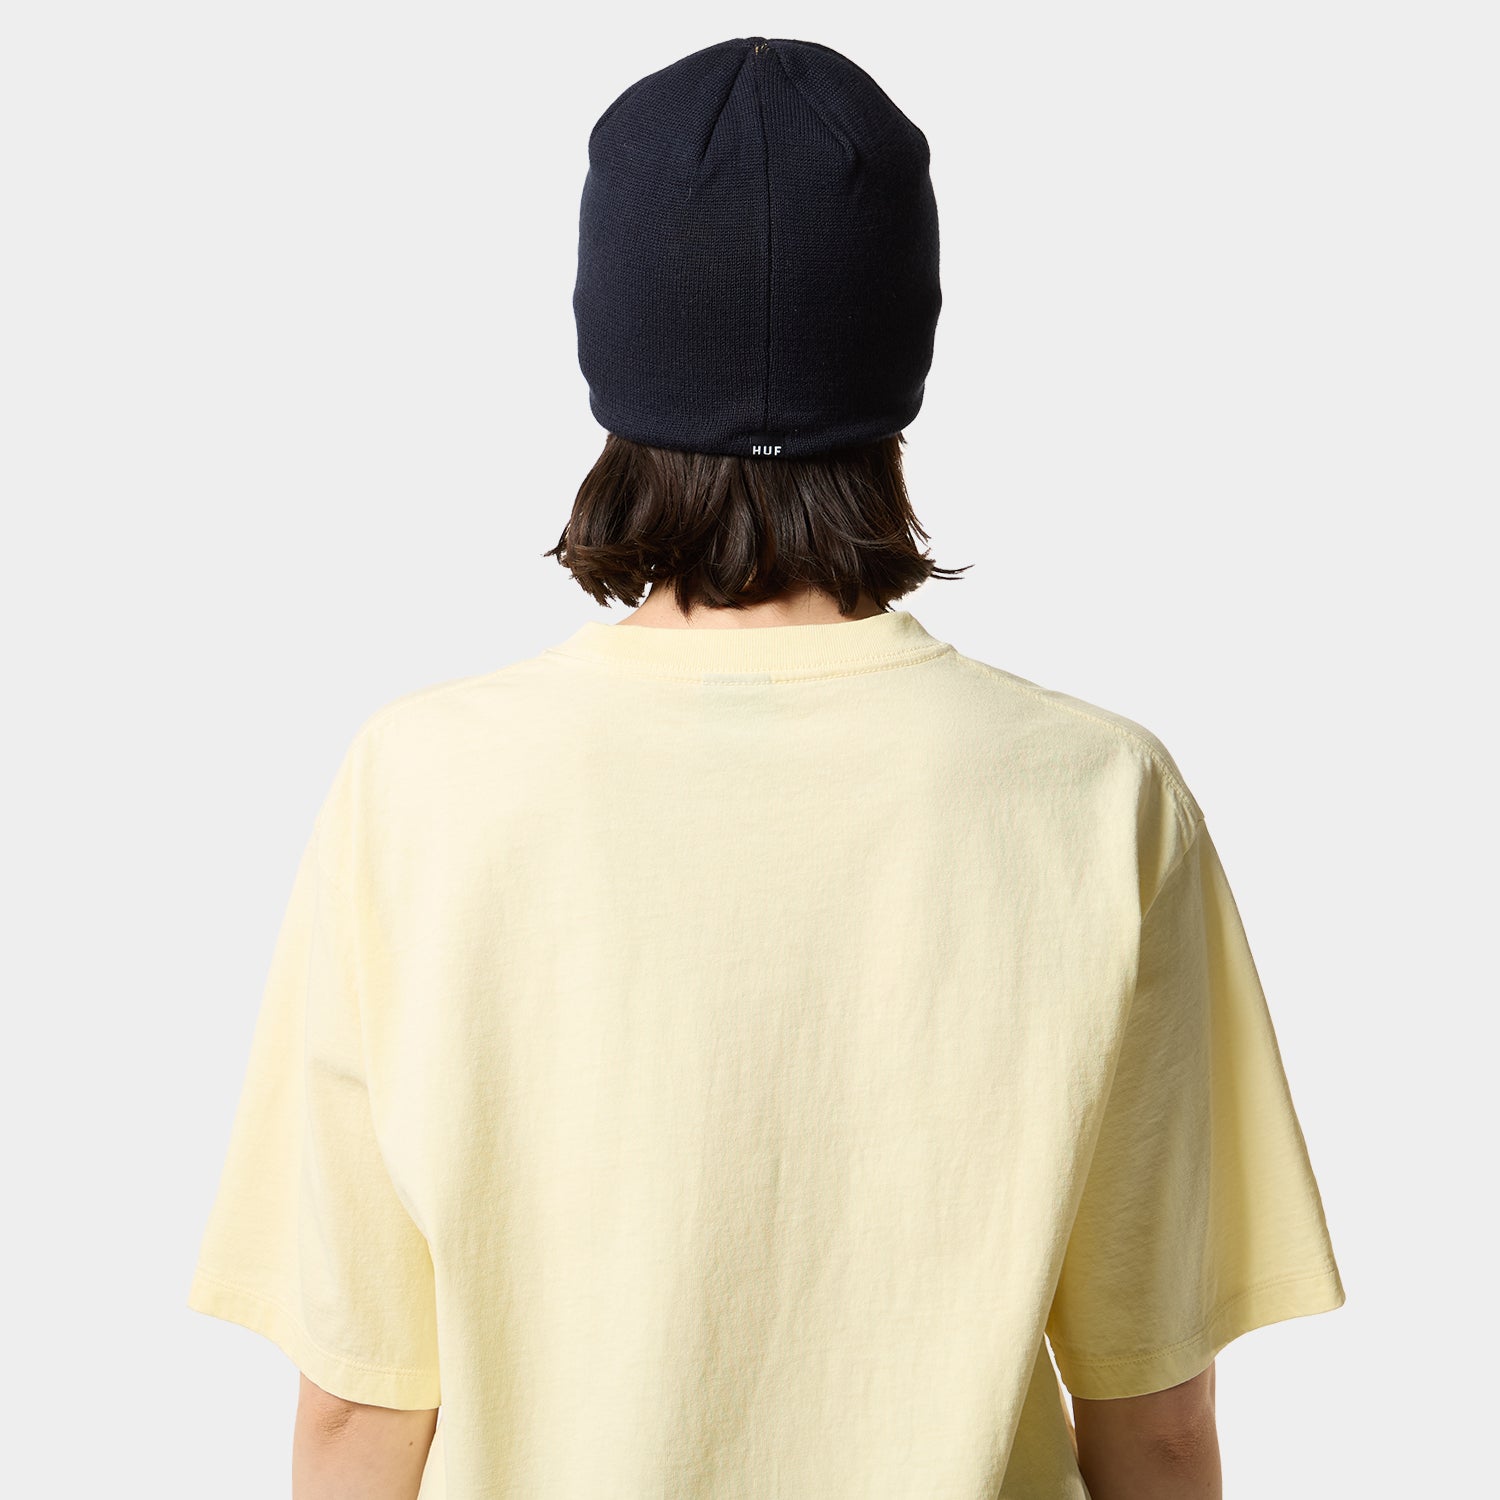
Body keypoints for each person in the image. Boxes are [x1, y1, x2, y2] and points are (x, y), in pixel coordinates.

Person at [187, 35, 1345, 1500]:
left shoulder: (418, 787)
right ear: (908, 342)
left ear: (604, 339)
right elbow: (1155, 1420)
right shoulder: (1101, 797)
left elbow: (358, 1415)